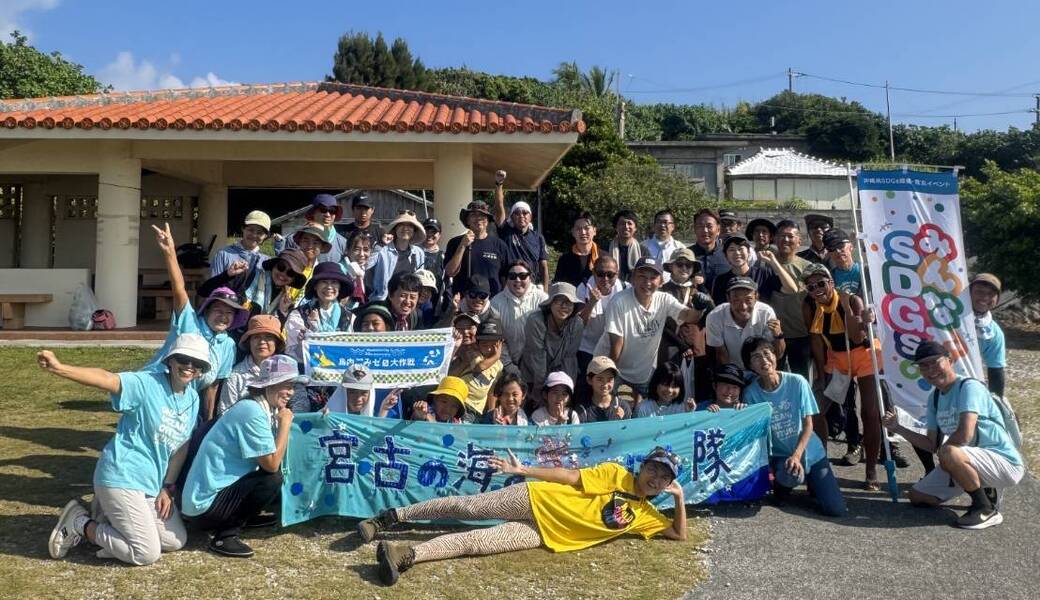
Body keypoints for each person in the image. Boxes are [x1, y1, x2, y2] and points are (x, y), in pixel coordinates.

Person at [359, 447, 687, 586]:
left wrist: (680, 499)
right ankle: (390, 517)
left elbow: (677, 535)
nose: (654, 479)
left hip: (546, 535)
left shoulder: (646, 514)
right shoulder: (617, 474)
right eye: (652, 470)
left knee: (476, 543)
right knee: (468, 508)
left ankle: (404, 556)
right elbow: (571, 476)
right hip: (535, 499)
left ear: (668, 484)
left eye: (663, 478)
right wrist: (524, 470)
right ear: (642, 466)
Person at [44, 334, 208, 565]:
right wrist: (60, 368)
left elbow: (181, 448)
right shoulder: (147, 383)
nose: (189, 367)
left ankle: (110, 524)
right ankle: (80, 523)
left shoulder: (192, 398)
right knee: (146, 553)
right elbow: (107, 378)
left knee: (175, 541)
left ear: (202, 370)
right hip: (121, 474)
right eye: (183, 358)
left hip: (150, 483)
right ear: (170, 360)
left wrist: (167, 488)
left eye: (197, 363)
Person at [883, 341, 1024, 529]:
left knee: (949, 452)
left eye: (935, 362)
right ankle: (979, 484)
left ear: (950, 360)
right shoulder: (935, 397)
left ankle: (985, 508)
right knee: (918, 497)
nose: (930, 369)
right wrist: (898, 428)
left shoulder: (969, 387)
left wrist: (946, 456)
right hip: (969, 459)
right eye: (923, 365)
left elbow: (965, 435)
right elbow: (931, 444)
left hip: (1005, 462)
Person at [181, 355, 298, 557]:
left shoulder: (257, 406)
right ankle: (225, 535)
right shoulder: (252, 411)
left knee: (267, 474)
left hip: (211, 497)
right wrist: (285, 425)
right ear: (269, 385)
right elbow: (271, 464)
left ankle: (243, 517)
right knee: (271, 478)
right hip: (203, 508)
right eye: (285, 385)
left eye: (292, 386)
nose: (290, 392)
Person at [145, 223, 247, 421]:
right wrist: (170, 253)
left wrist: (208, 424)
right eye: (218, 310)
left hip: (185, 399)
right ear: (206, 310)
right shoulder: (190, 323)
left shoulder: (227, 344)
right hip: (155, 388)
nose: (223, 316)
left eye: (229, 312)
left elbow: (212, 385)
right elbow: (179, 290)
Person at [740, 336, 847, 517]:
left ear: (776, 355)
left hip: (811, 453)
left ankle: (810, 480)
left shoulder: (798, 382)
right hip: (781, 456)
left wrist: (797, 456)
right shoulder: (751, 394)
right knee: (791, 476)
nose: (764, 360)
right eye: (756, 357)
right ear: (750, 365)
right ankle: (782, 486)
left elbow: (808, 424)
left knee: (835, 509)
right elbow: (756, 437)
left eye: (767, 353)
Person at [802, 263, 885, 489]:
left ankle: (871, 471)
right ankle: (821, 463)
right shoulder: (810, 305)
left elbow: (857, 339)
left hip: (864, 355)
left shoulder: (851, 300)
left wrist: (853, 312)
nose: (816, 289)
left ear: (831, 283)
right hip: (837, 360)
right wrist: (821, 375)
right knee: (817, 411)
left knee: (870, 412)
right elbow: (817, 341)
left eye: (821, 283)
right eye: (810, 286)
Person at [600, 257, 705, 396]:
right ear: (632, 279)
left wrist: (699, 307)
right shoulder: (619, 302)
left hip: (645, 375)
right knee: (619, 413)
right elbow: (616, 345)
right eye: (642, 276)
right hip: (617, 370)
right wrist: (609, 377)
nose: (647, 282)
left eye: (653, 277)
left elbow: (689, 316)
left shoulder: (664, 299)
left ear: (661, 281)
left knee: (644, 413)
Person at [657, 248, 714, 402]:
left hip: (698, 349)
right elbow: (660, 324)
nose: (683, 268)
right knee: (671, 388)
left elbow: (713, 315)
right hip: (671, 349)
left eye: (688, 266)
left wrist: (702, 289)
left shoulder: (699, 291)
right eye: (679, 264)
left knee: (699, 390)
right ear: (671, 267)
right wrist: (682, 346)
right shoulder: (662, 292)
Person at [199, 247, 307, 325]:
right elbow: (204, 291)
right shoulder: (248, 276)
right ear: (274, 265)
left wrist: (282, 312)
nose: (283, 274)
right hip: (231, 340)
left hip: (258, 346)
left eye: (291, 273)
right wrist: (227, 275)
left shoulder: (286, 301)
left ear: (294, 279)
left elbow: (278, 329)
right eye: (281, 267)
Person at [521, 282, 585, 408]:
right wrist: (539, 391)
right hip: (532, 375)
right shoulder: (535, 321)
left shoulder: (577, 324)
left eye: (569, 302)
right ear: (550, 303)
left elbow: (570, 359)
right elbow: (537, 357)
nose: (564, 306)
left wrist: (567, 389)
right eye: (559, 301)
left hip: (560, 373)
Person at [575, 256, 628, 399]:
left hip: (614, 347)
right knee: (586, 389)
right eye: (600, 274)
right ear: (593, 273)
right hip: (588, 348)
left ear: (617, 274)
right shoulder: (583, 288)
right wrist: (591, 302)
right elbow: (579, 325)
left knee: (611, 390)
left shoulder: (625, 289)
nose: (605, 278)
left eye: (610, 275)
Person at [705, 277, 784, 371]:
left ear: (756, 297)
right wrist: (733, 379)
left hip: (761, 370)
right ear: (728, 298)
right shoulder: (715, 316)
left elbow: (777, 355)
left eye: (748, 299)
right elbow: (721, 354)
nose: (743, 306)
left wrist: (779, 336)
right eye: (736, 300)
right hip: (733, 370)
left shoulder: (766, 313)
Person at [768, 220, 814, 381]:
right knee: (773, 378)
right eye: (781, 236)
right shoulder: (765, 263)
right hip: (772, 335)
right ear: (774, 239)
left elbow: (798, 291)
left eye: (790, 236)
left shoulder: (807, 267)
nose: (785, 240)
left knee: (801, 380)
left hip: (800, 334)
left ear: (799, 240)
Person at [284, 262, 355, 363]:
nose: (329, 287)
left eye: (334, 282)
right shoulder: (298, 315)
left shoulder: (350, 318)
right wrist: (309, 331)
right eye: (324, 282)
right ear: (315, 286)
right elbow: (294, 354)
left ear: (340, 287)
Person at [493, 170, 550, 290]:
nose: (521, 216)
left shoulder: (538, 237)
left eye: (525, 213)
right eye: (517, 213)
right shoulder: (506, 231)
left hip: (531, 286)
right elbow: (499, 210)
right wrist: (499, 184)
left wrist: (545, 291)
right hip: (509, 285)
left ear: (530, 217)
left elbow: (543, 266)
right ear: (511, 217)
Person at [218, 314, 286, 415]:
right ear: (249, 342)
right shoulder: (236, 376)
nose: (262, 342)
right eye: (256, 337)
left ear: (276, 342)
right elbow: (224, 415)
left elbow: (297, 406)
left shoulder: (286, 371)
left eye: (268, 337)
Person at [445, 200, 509, 297]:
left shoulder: (500, 245)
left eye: (482, 216)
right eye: (474, 215)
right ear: (467, 220)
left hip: (493, 303)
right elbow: (450, 272)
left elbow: (505, 277)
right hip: (463, 303)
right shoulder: (455, 243)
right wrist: (462, 246)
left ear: (487, 221)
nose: (478, 219)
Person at [710, 235, 796, 306]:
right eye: (732, 249)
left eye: (740, 249)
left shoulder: (764, 273)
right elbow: (719, 308)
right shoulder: (720, 281)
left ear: (749, 253)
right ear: (726, 256)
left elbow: (791, 289)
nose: (737, 253)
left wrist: (774, 262)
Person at [491, 260, 548, 363]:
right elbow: (496, 339)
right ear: (507, 279)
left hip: (539, 362)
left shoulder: (543, 299)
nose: (517, 280)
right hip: (507, 362)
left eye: (522, 276)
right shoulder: (496, 302)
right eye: (512, 276)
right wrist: (508, 364)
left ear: (530, 278)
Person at [451, 319, 505, 420]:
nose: (489, 349)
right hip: (462, 403)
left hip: (476, 410)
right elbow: (479, 367)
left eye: (494, 345)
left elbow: (491, 390)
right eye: (485, 345)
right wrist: (497, 355)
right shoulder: (473, 353)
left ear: (500, 344)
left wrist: (491, 411)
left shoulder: (499, 366)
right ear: (477, 343)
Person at [369, 210, 426, 301]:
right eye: (401, 225)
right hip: (383, 299)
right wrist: (380, 245)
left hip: (408, 302)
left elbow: (420, 279)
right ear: (395, 228)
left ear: (414, 231)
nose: (405, 228)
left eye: (410, 226)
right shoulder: (382, 248)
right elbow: (366, 265)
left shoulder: (419, 253)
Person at [273, 194, 348, 263]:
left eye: (332, 211)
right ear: (313, 212)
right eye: (323, 210)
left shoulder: (343, 243)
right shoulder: (293, 239)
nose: (328, 215)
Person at [970, 273, 1006, 397]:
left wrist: (998, 405)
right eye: (979, 291)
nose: (985, 297)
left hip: (966, 385)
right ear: (969, 293)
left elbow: (995, 370)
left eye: (991, 294)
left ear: (997, 299)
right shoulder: (945, 316)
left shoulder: (994, 333)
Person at [210, 210, 272, 277]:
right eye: (251, 230)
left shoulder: (267, 261)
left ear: (265, 236)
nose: (254, 235)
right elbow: (214, 285)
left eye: (259, 233)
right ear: (243, 229)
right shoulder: (223, 254)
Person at [285, 222, 333, 303]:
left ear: (322, 247)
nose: (310, 245)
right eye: (305, 240)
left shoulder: (322, 274)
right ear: (299, 242)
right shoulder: (286, 265)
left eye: (315, 242)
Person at [553, 211, 600, 287]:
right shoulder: (565, 260)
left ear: (594, 231)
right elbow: (559, 286)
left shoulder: (604, 257)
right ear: (573, 232)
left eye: (586, 228)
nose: (583, 232)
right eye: (578, 229)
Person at [576, 356, 631, 422]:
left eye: (609, 379)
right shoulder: (582, 410)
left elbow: (628, 431)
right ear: (589, 380)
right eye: (600, 379)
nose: (605, 385)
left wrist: (621, 423)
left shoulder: (623, 406)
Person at [690, 208, 730, 290]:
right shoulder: (687, 255)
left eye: (709, 226)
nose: (705, 230)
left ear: (718, 230)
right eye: (700, 226)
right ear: (694, 229)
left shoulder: (728, 254)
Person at [640, 209, 686, 276]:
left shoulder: (680, 248)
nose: (662, 225)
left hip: (673, 286)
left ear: (673, 226)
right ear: (654, 225)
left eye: (665, 222)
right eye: (659, 222)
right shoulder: (643, 246)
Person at [823, 229, 862, 297]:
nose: (837, 251)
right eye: (832, 248)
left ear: (851, 246)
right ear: (829, 253)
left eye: (840, 245)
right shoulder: (828, 278)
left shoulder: (867, 272)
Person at [341, 229, 374, 307]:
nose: (362, 254)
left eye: (366, 250)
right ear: (347, 250)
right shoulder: (339, 270)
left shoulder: (368, 270)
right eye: (357, 249)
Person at [608, 209, 643, 283]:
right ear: (616, 227)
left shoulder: (643, 250)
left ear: (635, 228)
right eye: (622, 223)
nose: (626, 226)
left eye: (629, 223)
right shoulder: (606, 248)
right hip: (612, 287)